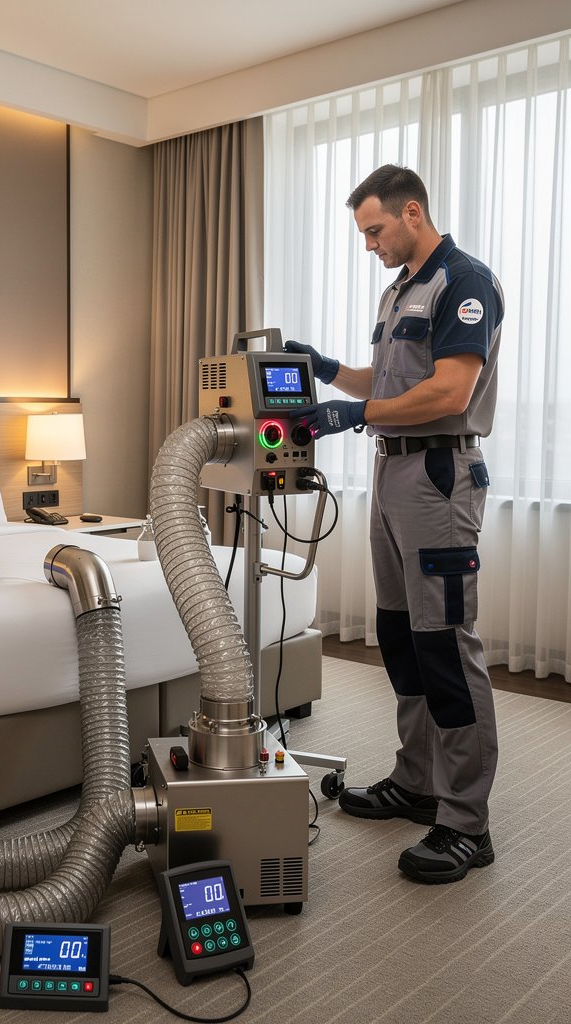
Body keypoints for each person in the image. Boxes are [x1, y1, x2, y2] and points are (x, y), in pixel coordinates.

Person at [287, 164, 504, 885]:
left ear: (413, 212)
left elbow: (448, 390)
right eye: (364, 234)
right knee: (401, 638)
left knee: (444, 645)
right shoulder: (398, 290)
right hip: (391, 474)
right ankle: (418, 784)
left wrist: (360, 413)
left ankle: (467, 824)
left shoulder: (462, 282)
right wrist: (329, 372)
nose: (370, 244)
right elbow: (385, 384)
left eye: (375, 230)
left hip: (439, 478)